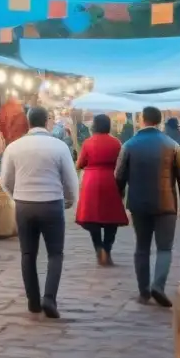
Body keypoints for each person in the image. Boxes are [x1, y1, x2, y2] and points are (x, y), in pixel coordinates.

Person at [0, 105, 79, 319]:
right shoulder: (59, 146)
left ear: (28, 121)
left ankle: (33, 301)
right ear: (47, 122)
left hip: (24, 205)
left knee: (28, 254)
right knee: (55, 253)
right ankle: (50, 298)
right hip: (52, 203)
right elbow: (71, 182)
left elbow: (5, 180)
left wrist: (17, 196)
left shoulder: (14, 147)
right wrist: (68, 202)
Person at [115, 106, 180, 308]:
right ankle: (158, 285)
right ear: (159, 121)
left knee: (141, 247)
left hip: (139, 204)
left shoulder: (129, 145)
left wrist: (119, 198)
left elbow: (119, 177)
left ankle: (143, 291)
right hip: (166, 204)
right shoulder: (172, 145)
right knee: (164, 248)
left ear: (142, 120)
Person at [75, 114, 128, 266]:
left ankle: (99, 248)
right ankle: (107, 249)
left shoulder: (88, 143)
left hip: (91, 181)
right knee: (111, 218)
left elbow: (79, 164)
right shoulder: (116, 143)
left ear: (94, 126)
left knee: (92, 218)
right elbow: (122, 163)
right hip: (111, 180)